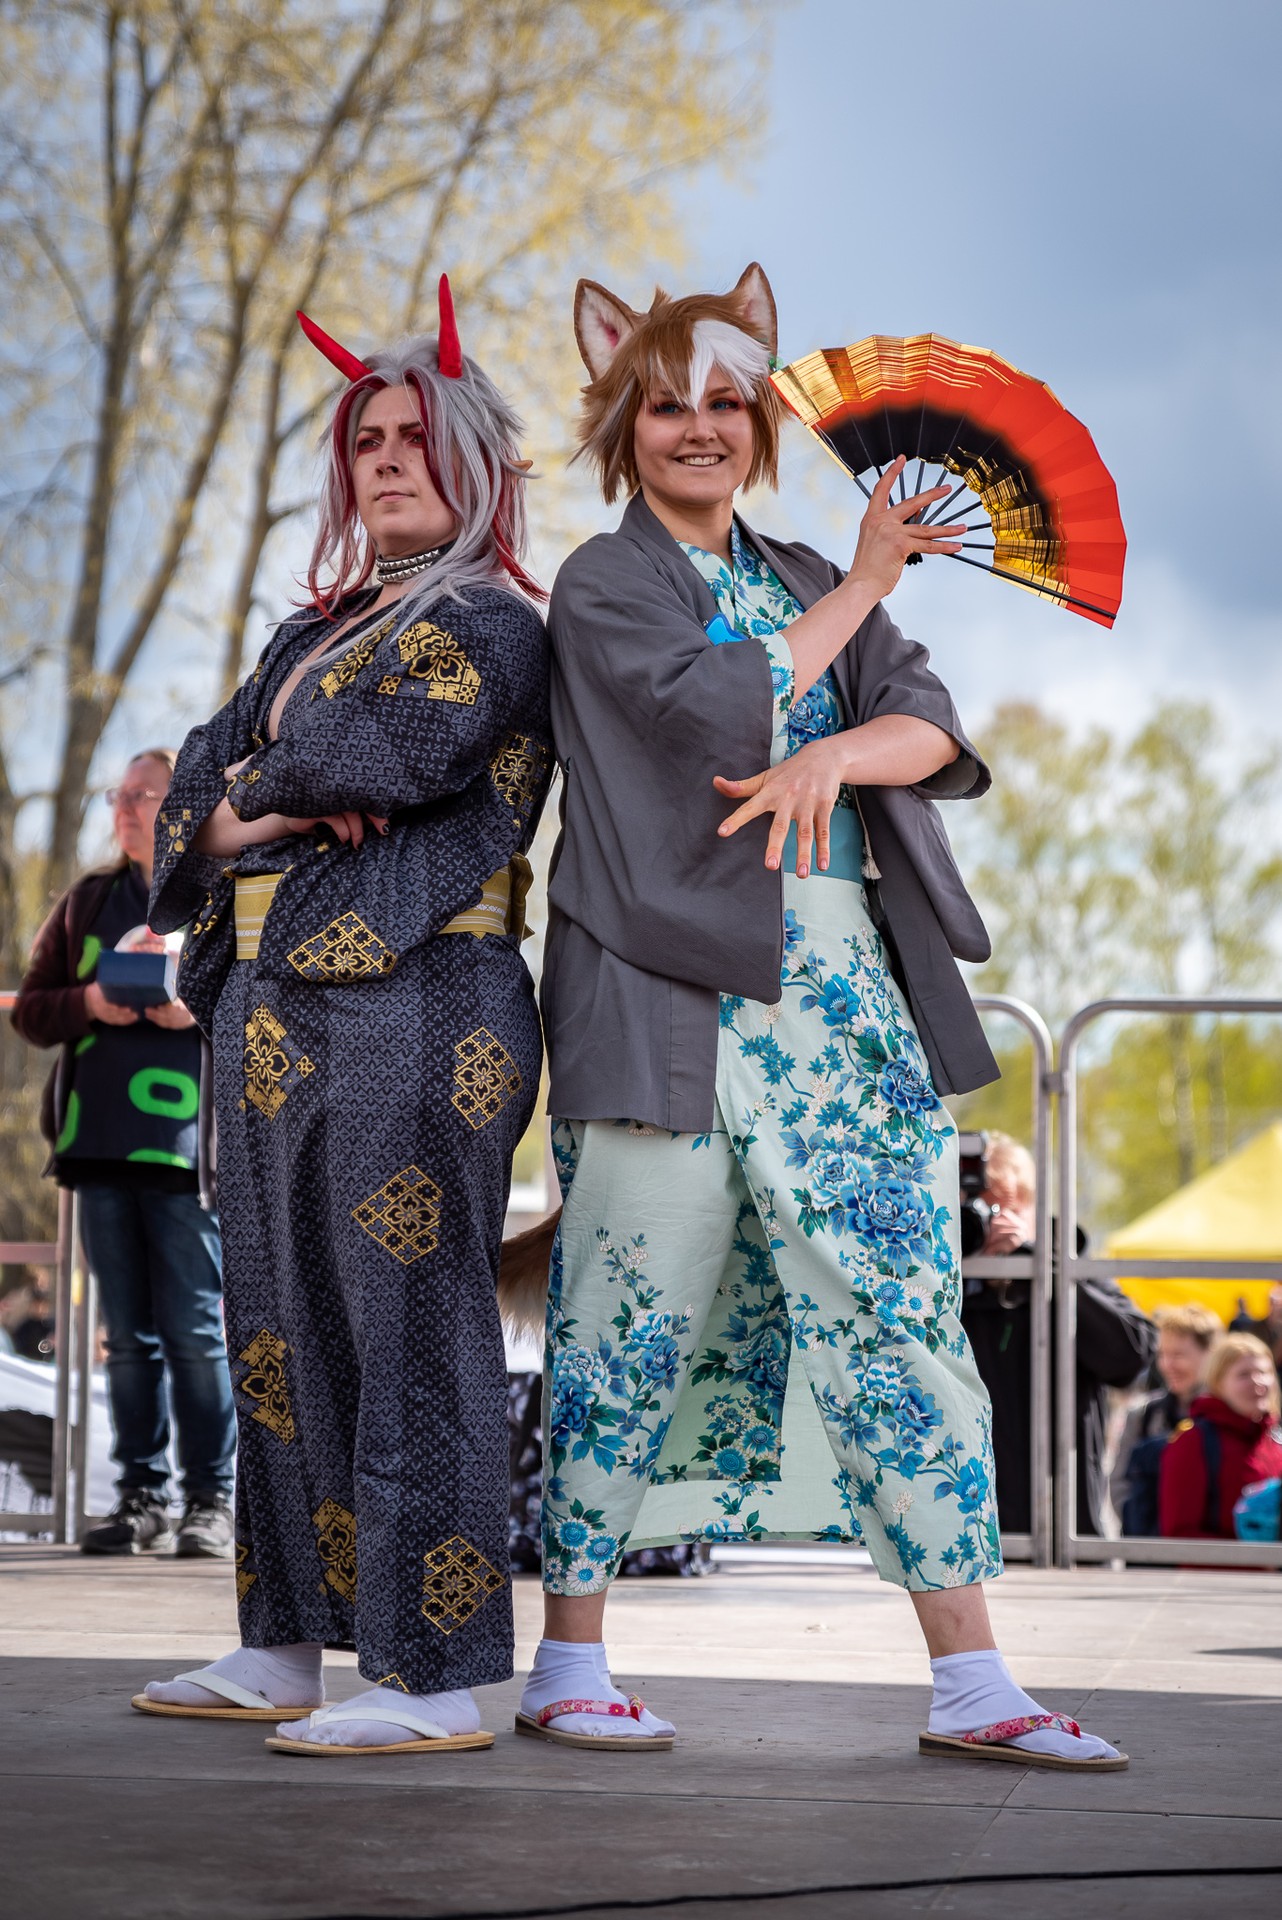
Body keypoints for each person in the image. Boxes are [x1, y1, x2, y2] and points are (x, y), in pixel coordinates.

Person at [517, 265, 1124, 1770]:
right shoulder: (602, 583)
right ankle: (568, 1658)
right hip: (659, 998)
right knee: (625, 1312)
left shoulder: (796, 568)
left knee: (900, 1307)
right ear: (620, 419)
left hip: (843, 999)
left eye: (728, 402)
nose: (700, 427)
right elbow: (704, 707)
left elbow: (929, 724)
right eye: (666, 402)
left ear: (763, 420)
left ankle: (974, 1682)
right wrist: (860, 588)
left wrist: (832, 758)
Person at [135, 281, 553, 1755]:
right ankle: (284, 1647)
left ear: (475, 458)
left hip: (424, 999)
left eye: (415, 436)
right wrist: (267, 796)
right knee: (274, 1328)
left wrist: (257, 786)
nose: (386, 460)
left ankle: (429, 1675)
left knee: (408, 1325)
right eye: (366, 440)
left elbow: (386, 751)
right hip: (264, 1006)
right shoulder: (309, 627)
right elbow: (185, 807)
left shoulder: (498, 619)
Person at [11, 751, 235, 1556]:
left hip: (187, 1158)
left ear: (183, 803)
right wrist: (91, 1001)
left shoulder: (221, 891)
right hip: (97, 1145)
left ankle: (210, 1501)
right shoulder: (88, 901)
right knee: (127, 1339)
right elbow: (31, 1011)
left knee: (196, 1333)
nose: (126, 807)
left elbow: (268, 1005)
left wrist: (196, 1008)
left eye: (144, 794)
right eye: (120, 794)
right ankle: (142, 1495)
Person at [959, 1132, 1155, 1537]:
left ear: (1029, 1210)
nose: (984, 1222)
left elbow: (1132, 1356)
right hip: (968, 1530)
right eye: (969, 1209)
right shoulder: (936, 1285)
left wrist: (1039, 1269)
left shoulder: (1065, 1264)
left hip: (1064, 1528)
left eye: (997, 1207)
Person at [1159, 1332, 1282, 1545]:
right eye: (1243, 1375)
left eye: (1263, 1372)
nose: (1258, 1382)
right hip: (1221, 1568)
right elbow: (1180, 1535)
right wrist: (1252, 1559)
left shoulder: (1275, 1441)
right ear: (1218, 1384)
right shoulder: (1192, 1442)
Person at [1111, 1302, 1221, 1536]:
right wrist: (1142, 1524)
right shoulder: (1143, 1414)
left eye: (1178, 1355)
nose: (1167, 1365)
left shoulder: (1229, 1417)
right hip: (1150, 1550)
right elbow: (1120, 1484)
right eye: (1162, 1354)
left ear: (1211, 1356)